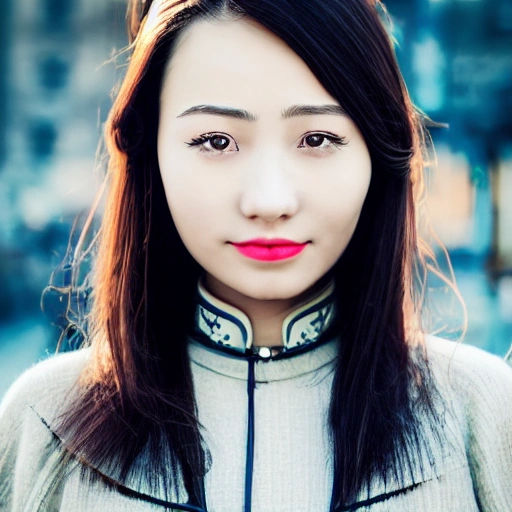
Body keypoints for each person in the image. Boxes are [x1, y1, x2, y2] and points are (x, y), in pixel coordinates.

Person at [1, 0, 511, 510]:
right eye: (216, 140)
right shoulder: (47, 423)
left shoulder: (481, 415)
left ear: (379, 152)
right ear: (149, 149)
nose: (269, 201)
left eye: (317, 138)